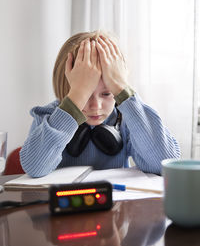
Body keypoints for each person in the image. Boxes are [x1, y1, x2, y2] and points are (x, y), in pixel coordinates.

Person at [20, 30, 180, 177]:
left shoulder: (127, 119)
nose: (96, 106)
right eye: (85, 95)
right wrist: (75, 100)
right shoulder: (48, 117)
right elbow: (34, 168)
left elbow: (165, 164)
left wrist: (121, 88)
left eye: (107, 93)